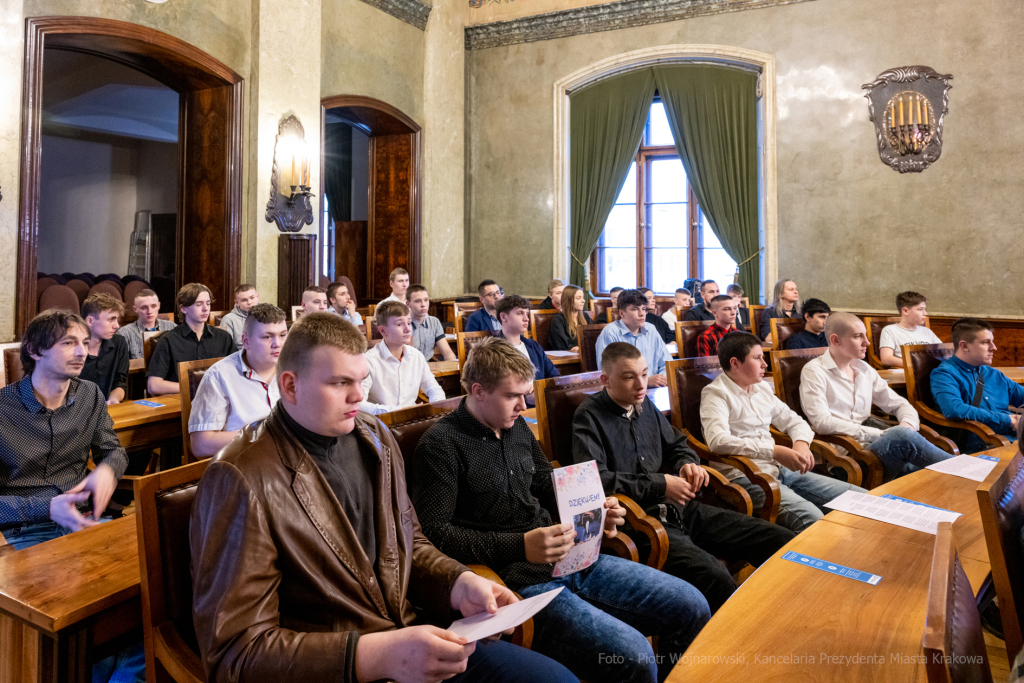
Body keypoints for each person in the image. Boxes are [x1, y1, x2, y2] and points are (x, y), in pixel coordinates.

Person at [190, 313, 577, 683]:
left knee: (556, 678)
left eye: (362, 380)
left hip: (407, 632)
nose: (359, 395)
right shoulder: (240, 476)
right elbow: (237, 655)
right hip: (336, 665)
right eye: (340, 383)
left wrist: (458, 583)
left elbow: (409, 542)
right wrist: (376, 655)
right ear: (290, 386)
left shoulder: (373, 436)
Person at [409, 337, 711, 683]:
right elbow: (434, 535)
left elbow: (548, 486)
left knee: (691, 605)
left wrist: (595, 508)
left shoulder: (515, 425)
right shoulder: (441, 445)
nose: (523, 405)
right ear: (478, 391)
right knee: (634, 655)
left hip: (572, 556)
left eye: (525, 394)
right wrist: (521, 545)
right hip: (516, 582)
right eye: (512, 396)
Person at [573, 342, 794, 613]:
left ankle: (784, 612)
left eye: (644, 374)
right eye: (629, 377)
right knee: (715, 578)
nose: (641, 385)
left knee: (778, 538)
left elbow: (678, 444)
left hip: (681, 507)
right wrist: (661, 484)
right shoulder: (589, 416)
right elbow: (595, 481)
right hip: (639, 521)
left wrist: (687, 464)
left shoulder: (644, 405)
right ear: (605, 380)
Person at [0, 310, 144, 683]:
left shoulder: (90, 395)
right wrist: (46, 506)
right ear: (34, 350)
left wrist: (108, 471)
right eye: (68, 343)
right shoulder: (3, 410)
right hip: (22, 530)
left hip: (83, 522)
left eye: (83, 342)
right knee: (75, 615)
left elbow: (113, 448)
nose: (81, 352)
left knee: (146, 599)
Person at [700, 332, 865, 533]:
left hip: (781, 469)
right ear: (735, 363)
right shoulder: (716, 394)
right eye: (757, 358)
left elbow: (795, 421)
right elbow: (718, 441)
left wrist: (801, 444)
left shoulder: (761, 388)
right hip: (744, 477)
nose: (765, 364)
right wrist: (774, 451)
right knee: (812, 519)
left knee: (862, 500)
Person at [799, 312, 954, 481]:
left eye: (866, 335)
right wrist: (880, 435)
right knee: (918, 462)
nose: (866, 342)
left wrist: (907, 425)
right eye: (858, 336)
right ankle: (966, 470)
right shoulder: (814, 371)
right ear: (836, 340)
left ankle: (964, 474)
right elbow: (822, 423)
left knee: (928, 475)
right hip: (847, 461)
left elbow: (899, 404)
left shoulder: (864, 369)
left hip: (876, 448)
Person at [188, 304, 288, 458]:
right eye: (267, 337)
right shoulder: (218, 376)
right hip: (242, 464)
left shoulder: (294, 370)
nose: (278, 344)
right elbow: (201, 445)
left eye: (282, 335)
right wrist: (265, 435)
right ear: (246, 341)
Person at [930, 318, 1024, 452]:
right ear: (964, 346)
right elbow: (954, 409)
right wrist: (1008, 420)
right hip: (985, 444)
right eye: (986, 342)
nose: (994, 347)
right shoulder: (944, 374)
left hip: (1014, 440)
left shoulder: (993, 373)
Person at [146, 283, 237, 396]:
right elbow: (154, 385)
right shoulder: (168, 340)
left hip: (218, 400)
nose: (205, 309)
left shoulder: (223, 337)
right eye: (199, 304)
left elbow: (238, 373)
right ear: (183, 308)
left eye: (208, 303)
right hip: (181, 402)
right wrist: (196, 386)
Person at [360, 300, 446, 414]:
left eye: (409, 323)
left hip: (413, 420)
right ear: (382, 330)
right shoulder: (369, 361)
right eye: (399, 324)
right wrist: (397, 411)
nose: (407, 329)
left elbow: (433, 388)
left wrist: (436, 407)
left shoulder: (416, 356)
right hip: (382, 423)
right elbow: (359, 404)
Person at [595, 289, 670, 388]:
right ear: (622, 313)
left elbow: (667, 364)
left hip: (656, 388)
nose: (642, 314)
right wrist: (645, 381)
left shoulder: (651, 329)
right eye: (635, 309)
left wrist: (661, 380)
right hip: (624, 393)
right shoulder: (610, 333)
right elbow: (608, 374)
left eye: (643, 309)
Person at [493, 294, 559, 381]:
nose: (526, 319)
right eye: (520, 313)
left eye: (527, 314)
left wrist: (538, 387)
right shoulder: (493, 351)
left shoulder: (534, 346)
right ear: (504, 317)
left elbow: (554, 377)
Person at [79, 293, 130, 404]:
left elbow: (120, 382)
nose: (116, 325)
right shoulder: (73, 349)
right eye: (111, 319)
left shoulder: (119, 343)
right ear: (90, 321)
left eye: (116, 319)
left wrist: (114, 399)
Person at [878, 291, 942, 368]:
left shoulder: (926, 331)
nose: (925, 313)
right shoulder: (890, 330)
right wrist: (917, 365)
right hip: (905, 372)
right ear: (905, 311)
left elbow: (944, 353)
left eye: (924, 309)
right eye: (920, 309)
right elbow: (886, 359)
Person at [116, 287, 176, 359]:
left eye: (153, 306)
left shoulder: (172, 327)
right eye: (144, 308)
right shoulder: (124, 333)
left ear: (159, 306)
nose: (149, 311)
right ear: (135, 309)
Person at [408, 284, 456, 361]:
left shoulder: (434, 322)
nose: (423, 304)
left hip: (429, 368)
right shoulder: (403, 324)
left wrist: (453, 365)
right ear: (408, 304)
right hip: (409, 368)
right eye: (418, 301)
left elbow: (447, 353)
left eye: (426, 300)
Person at [547, 284, 592, 352]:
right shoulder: (558, 319)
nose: (583, 301)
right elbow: (561, 345)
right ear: (568, 300)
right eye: (578, 298)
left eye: (583, 297)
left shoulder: (585, 316)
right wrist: (578, 348)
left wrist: (581, 348)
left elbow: (593, 337)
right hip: (568, 358)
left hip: (585, 353)